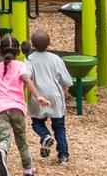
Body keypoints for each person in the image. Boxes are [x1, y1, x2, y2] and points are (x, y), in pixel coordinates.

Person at [0, 36, 39, 176]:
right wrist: (38, 96)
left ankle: (2, 150)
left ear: (0, 52)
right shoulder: (21, 66)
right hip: (17, 109)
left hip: (0, 110)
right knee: (22, 143)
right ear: (18, 52)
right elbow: (27, 81)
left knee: (4, 139)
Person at [24, 29, 72, 165]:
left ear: (32, 45)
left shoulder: (29, 59)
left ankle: (45, 136)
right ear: (49, 43)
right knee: (59, 126)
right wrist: (65, 90)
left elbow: (26, 77)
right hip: (55, 95)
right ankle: (63, 156)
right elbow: (66, 80)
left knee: (37, 122)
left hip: (37, 96)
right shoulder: (55, 59)